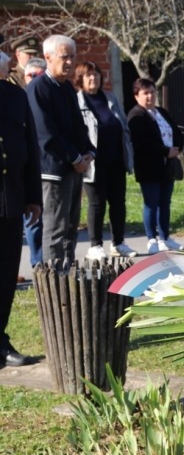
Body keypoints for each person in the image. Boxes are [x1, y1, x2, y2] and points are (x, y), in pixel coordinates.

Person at [26, 35, 96, 264]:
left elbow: (78, 126)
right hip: (54, 171)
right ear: (48, 57)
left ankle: (67, 279)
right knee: (55, 230)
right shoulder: (38, 89)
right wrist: (75, 157)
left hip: (74, 169)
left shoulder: (66, 88)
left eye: (73, 56)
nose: (70, 62)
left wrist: (88, 152)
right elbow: (46, 134)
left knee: (71, 228)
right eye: (64, 57)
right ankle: (53, 282)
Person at [0, 75, 42, 366]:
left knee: (5, 277)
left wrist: (33, 196)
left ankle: (0, 340)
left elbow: (30, 147)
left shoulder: (15, 95)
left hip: (10, 201)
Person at [75, 62, 136, 261]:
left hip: (116, 160)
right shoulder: (78, 101)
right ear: (81, 79)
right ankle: (95, 244)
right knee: (96, 204)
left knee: (118, 203)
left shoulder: (110, 98)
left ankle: (118, 243)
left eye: (96, 75)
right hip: (93, 163)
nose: (94, 79)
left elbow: (122, 125)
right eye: (89, 76)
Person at [127, 78, 184, 254]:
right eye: (146, 93)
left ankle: (165, 237)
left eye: (152, 92)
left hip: (167, 166)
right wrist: (165, 151)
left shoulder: (161, 111)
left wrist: (177, 148)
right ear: (137, 96)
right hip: (149, 166)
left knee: (165, 202)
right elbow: (142, 142)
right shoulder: (136, 115)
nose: (150, 96)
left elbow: (176, 131)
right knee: (151, 203)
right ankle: (152, 239)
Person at [20, 58, 46, 267]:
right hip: (27, 169)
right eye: (31, 75)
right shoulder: (18, 100)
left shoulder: (48, 96)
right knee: (32, 222)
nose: (34, 79)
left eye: (39, 75)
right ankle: (37, 263)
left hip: (48, 166)